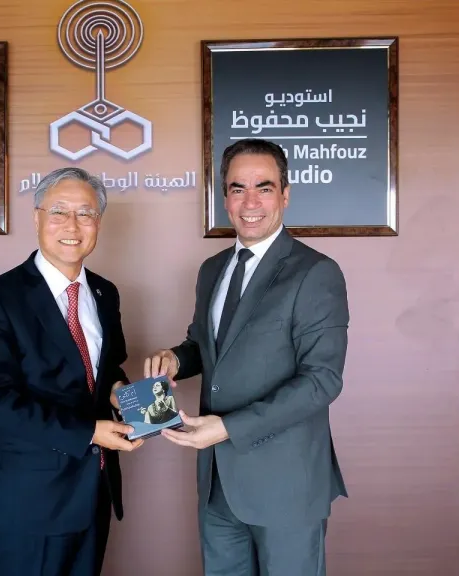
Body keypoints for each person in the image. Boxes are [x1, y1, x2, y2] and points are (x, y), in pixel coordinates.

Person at [145, 138, 349, 576]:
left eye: (264, 187)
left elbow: (322, 380)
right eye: (238, 188)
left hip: (286, 484)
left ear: (285, 194)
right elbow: (205, 346)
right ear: (225, 198)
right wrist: (176, 360)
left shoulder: (316, 272)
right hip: (218, 484)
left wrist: (228, 427)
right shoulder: (212, 270)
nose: (250, 202)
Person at [0, 167, 143, 576]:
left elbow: (106, 369)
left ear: (98, 222)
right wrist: (90, 432)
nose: (72, 225)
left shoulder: (104, 292)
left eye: (85, 213)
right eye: (59, 211)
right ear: (37, 218)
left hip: (93, 488)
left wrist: (131, 399)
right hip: (30, 495)